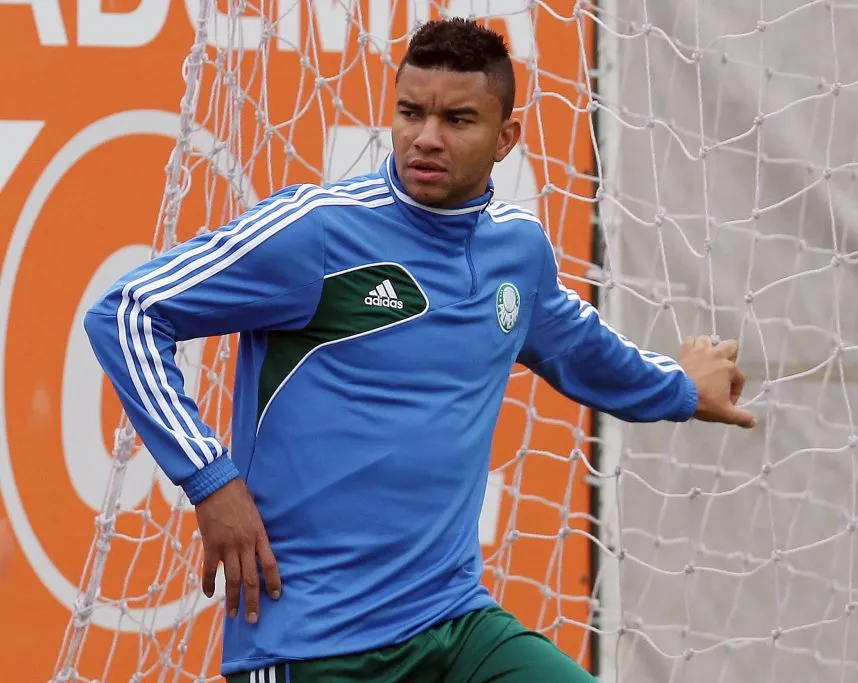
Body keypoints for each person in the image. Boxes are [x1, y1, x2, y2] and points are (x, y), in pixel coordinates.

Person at [83, 17, 756, 683]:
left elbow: (581, 349)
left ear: (506, 138)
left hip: (452, 620)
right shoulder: (318, 233)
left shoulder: (517, 251)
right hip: (312, 638)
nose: (425, 138)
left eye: (458, 120)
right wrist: (211, 480)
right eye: (411, 112)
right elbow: (128, 312)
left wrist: (682, 388)